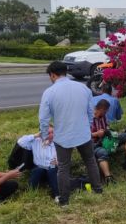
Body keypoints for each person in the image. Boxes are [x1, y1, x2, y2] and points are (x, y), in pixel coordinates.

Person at [40, 61, 103, 206]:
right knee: (90, 161)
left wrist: (45, 136)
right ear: (66, 72)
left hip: (62, 136)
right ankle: (98, 189)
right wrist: (87, 128)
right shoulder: (83, 88)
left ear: (53, 75)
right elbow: (90, 112)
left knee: (63, 167)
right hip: (83, 134)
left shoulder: (49, 92)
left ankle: (64, 200)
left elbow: (44, 119)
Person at [17, 126, 59, 201]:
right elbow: (20, 142)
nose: (51, 135)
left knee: (52, 169)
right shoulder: (36, 141)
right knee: (37, 171)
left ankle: (57, 194)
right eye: (48, 133)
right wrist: (36, 135)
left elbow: (64, 157)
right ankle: (30, 193)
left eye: (53, 132)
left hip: (53, 167)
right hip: (40, 167)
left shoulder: (58, 142)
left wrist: (58, 162)